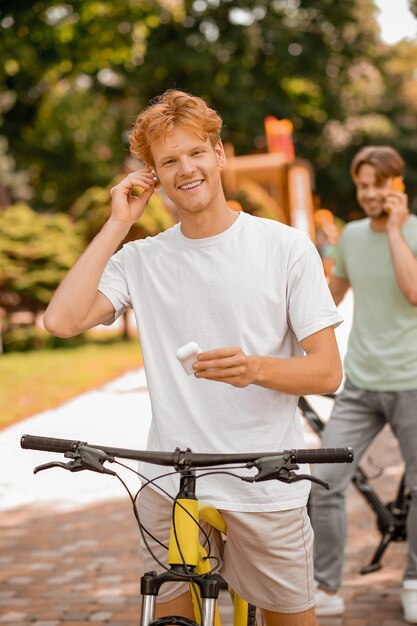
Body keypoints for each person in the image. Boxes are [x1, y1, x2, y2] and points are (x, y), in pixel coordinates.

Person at [43, 89, 343, 626]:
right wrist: (117, 224)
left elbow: (327, 370)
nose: (187, 169)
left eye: (196, 152)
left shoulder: (285, 247)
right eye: (168, 161)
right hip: (171, 481)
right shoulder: (141, 258)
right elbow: (61, 321)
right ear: (153, 175)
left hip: (264, 480)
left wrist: (255, 368)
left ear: (219, 153)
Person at [309, 145, 417, 623]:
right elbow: (333, 295)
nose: (369, 193)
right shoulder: (350, 235)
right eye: (362, 185)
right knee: (324, 482)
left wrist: (395, 229)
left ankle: (414, 580)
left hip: (412, 381)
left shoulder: (413, 231)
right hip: (361, 382)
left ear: (397, 184)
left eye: (378, 183)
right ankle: (326, 587)